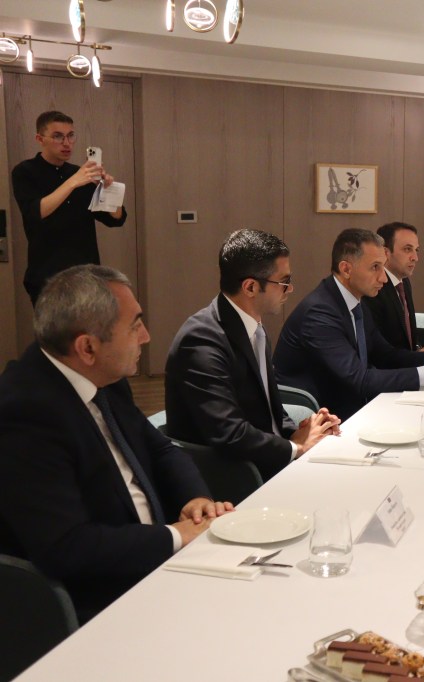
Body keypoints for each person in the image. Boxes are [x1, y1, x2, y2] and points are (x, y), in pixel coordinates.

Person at [0, 265, 232, 622]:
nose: (146, 336)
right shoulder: (24, 414)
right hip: (101, 600)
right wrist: (175, 536)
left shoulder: (103, 375)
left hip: (159, 560)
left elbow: (160, 449)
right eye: (135, 326)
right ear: (88, 347)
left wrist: (195, 500)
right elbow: (66, 548)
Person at [164, 229, 340, 481]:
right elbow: (229, 433)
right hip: (234, 475)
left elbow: (267, 407)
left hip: (265, 457)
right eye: (284, 281)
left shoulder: (253, 328)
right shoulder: (201, 341)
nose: (290, 289)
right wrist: (296, 447)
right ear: (250, 287)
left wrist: (304, 430)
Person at [273, 228, 424, 420]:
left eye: (383, 267)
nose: (383, 277)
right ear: (346, 269)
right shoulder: (319, 313)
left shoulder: (356, 301)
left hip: (355, 404)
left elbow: (385, 355)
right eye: (375, 267)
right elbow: (359, 380)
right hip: (323, 416)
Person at [11, 111, 128, 305]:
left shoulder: (80, 173)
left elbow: (115, 219)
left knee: (91, 325)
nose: (67, 143)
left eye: (71, 136)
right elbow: (34, 212)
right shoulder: (25, 171)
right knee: (53, 326)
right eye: (58, 136)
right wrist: (73, 182)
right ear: (40, 139)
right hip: (47, 276)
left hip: (87, 275)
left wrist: (108, 191)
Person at [363, 222, 424, 352]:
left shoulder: (403, 281)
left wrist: (419, 351)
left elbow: (406, 337)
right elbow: (380, 352)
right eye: (407, 249)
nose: (415, 258)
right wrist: (423, 357)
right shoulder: (374, 288)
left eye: (416, 250)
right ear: (385, 253)